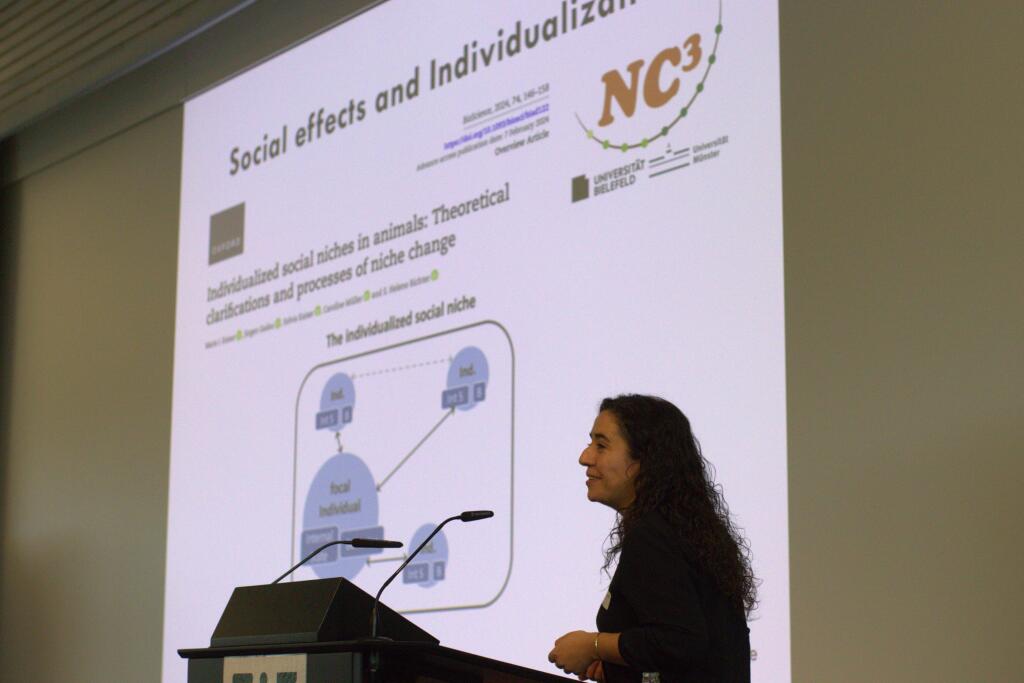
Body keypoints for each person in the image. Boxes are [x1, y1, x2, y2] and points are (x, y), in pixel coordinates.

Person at [547, 395, 755, 683]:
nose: (585, 457)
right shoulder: (681, 530)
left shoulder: (652, 534)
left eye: (601, 445)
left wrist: (592, 645)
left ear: (644, 459)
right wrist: (619, 667)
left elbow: (681, 641)